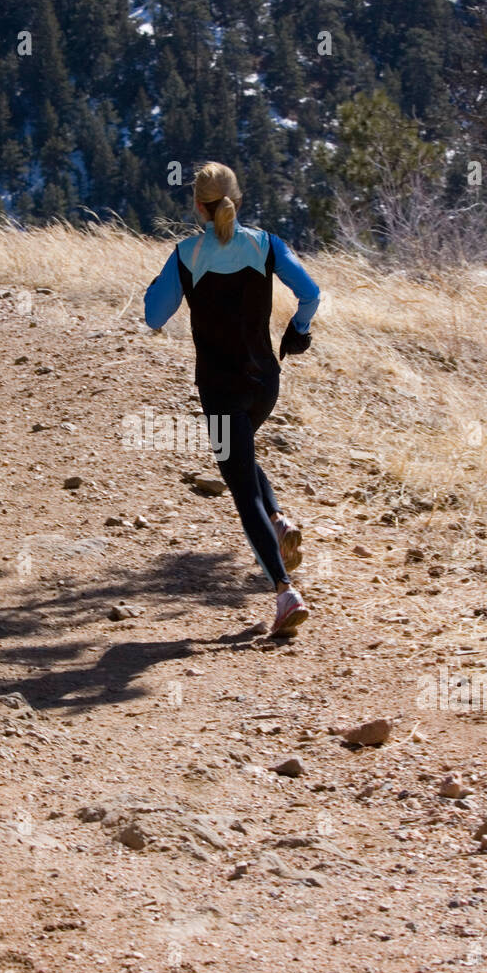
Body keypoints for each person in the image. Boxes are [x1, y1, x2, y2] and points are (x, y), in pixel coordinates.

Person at [144, 161, 320, 636]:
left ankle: (285, 593)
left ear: (196, 206)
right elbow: (311, 292)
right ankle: (280, 520)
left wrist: (155, 291)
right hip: (266, 382)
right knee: (242, 458)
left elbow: (153, 317)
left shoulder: (185, 254)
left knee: (242, 488)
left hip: (220, 389)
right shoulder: (266, 245)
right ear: (237, 202)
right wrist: (299, 330)